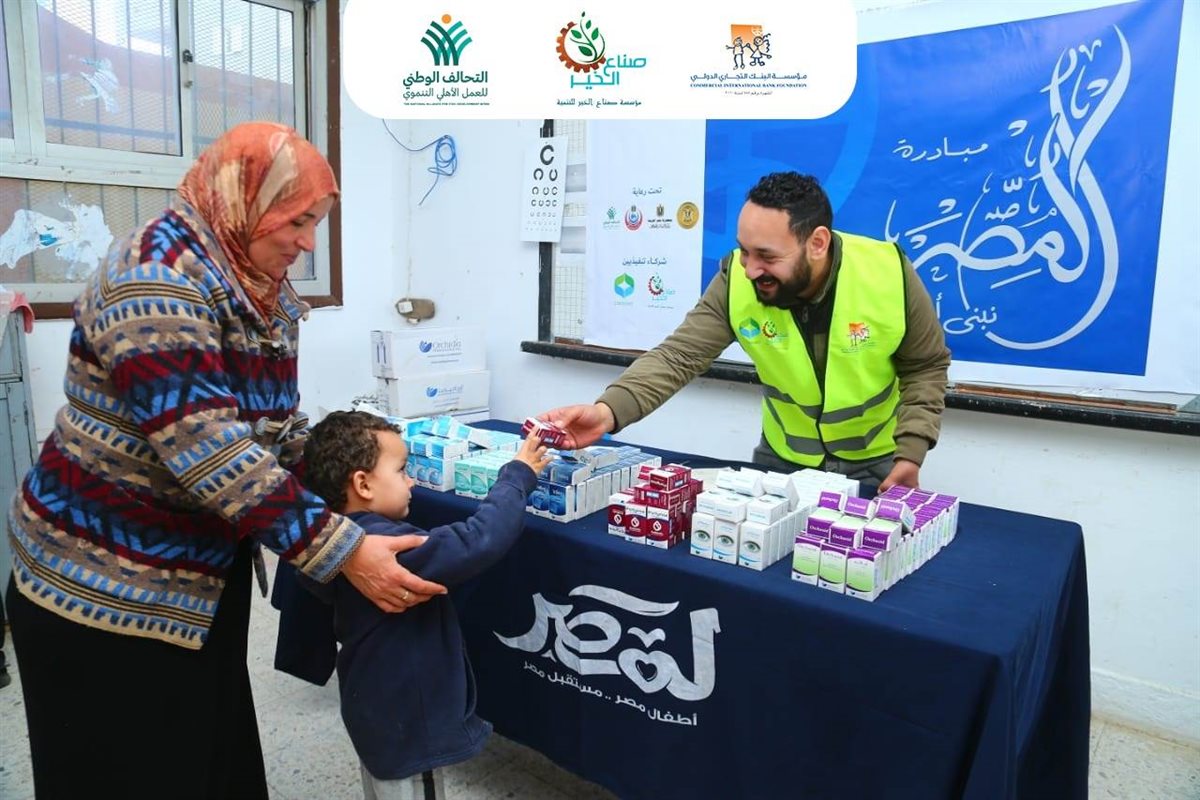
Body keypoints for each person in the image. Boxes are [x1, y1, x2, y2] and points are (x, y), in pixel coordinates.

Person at [5, 121, 446, 799]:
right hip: (101, 583)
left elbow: (271, 429)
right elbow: (208, 446)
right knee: (126, 771)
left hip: (198, 574)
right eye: (297, 221)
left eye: (316, 224)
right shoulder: (152, 277)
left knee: (205, 756)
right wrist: (344, 550)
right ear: (244, 200)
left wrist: (354, 467)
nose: (307, 243)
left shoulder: (252, 282)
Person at [543, 172, 950, 492]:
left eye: (767, 256)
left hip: (876, 465)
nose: (751, 269)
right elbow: (678, 356)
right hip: (781, 462)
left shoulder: (888, 273)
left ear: (817, 243)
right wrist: (607, 412)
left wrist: (910, 453)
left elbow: (925, 367)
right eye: (744, 250)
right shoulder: (735, 280)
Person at [292, 411, 551, 800]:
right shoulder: (385, 549)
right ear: (363, 484)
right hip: (408, 722)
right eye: (401, 470)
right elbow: (479, 539)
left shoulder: (334, 544)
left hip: (373, 705)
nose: (411, 480)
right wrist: (517, 474)